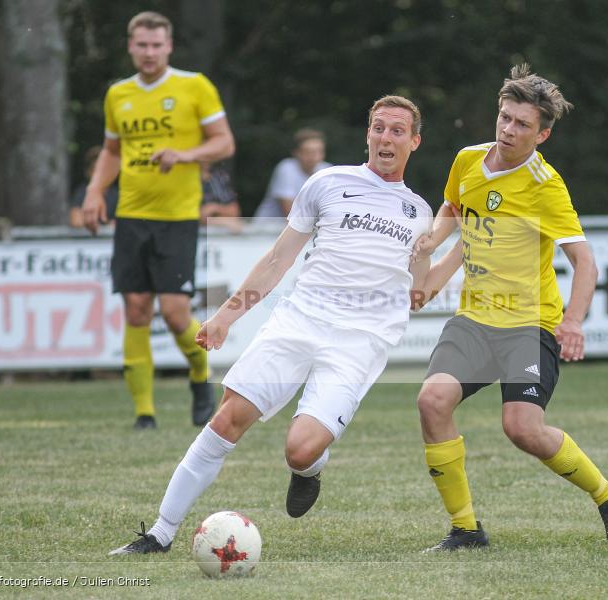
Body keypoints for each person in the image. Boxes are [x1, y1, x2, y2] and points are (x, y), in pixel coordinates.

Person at [109, 95, 432, 556]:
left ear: (414, 142)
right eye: (379, 127)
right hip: (300, 320)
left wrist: (427, 256)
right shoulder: (327, 183)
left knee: (300, 450)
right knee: (226, 420)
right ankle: (159, 533)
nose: (386, 137)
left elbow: (416, 294)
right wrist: (225, 314)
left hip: (359, 341)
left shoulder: (418, 210)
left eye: (397, 130)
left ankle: (309, 470)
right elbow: (279, 258)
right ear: (367, 134)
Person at [411, 63, 608, 551]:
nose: (508, 130)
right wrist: (432, 240)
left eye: (522, 124)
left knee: (522, 428)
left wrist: (573, 321)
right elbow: (453, 207)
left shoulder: (544, 185)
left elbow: (585, 263)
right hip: (474, 319)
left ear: (544, 134)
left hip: (528, 325)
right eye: (504, 117)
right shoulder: (468, 160)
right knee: (431, 401)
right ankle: (466, 529)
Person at [81, 11, 236, 430]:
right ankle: (144, 414)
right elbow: (112, 150)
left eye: (156, 45)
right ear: (130, 47)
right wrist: (96, 191)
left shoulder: (193, 86)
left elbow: (224, 142)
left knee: (172, 311)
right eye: (141, 45)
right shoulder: (118, 94)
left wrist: (185, 155)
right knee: (134, 308)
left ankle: (200, 375)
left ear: (169, 47)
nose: (149, 52)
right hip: (131, 214)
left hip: (179, 216)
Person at [252, 128, 331, 219]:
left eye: (318, 151)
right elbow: (290, 213)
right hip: (267, 229)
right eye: (308, 152)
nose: (313, 156)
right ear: (296, 153)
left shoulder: (328, 170)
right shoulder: (286, 168)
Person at [68, 146, 118, 228]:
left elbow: (123, 223)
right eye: (95, 170)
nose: (100, 175)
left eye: (103, 171)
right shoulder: (81, 192)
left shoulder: (117, 194)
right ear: (88, 171)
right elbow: (76, 220)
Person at [199, 161, 243, 232]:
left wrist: (214, 208)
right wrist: (224, 222)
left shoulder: (218, 178)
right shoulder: (185, 180)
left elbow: (234, 211)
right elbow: (199, 217)